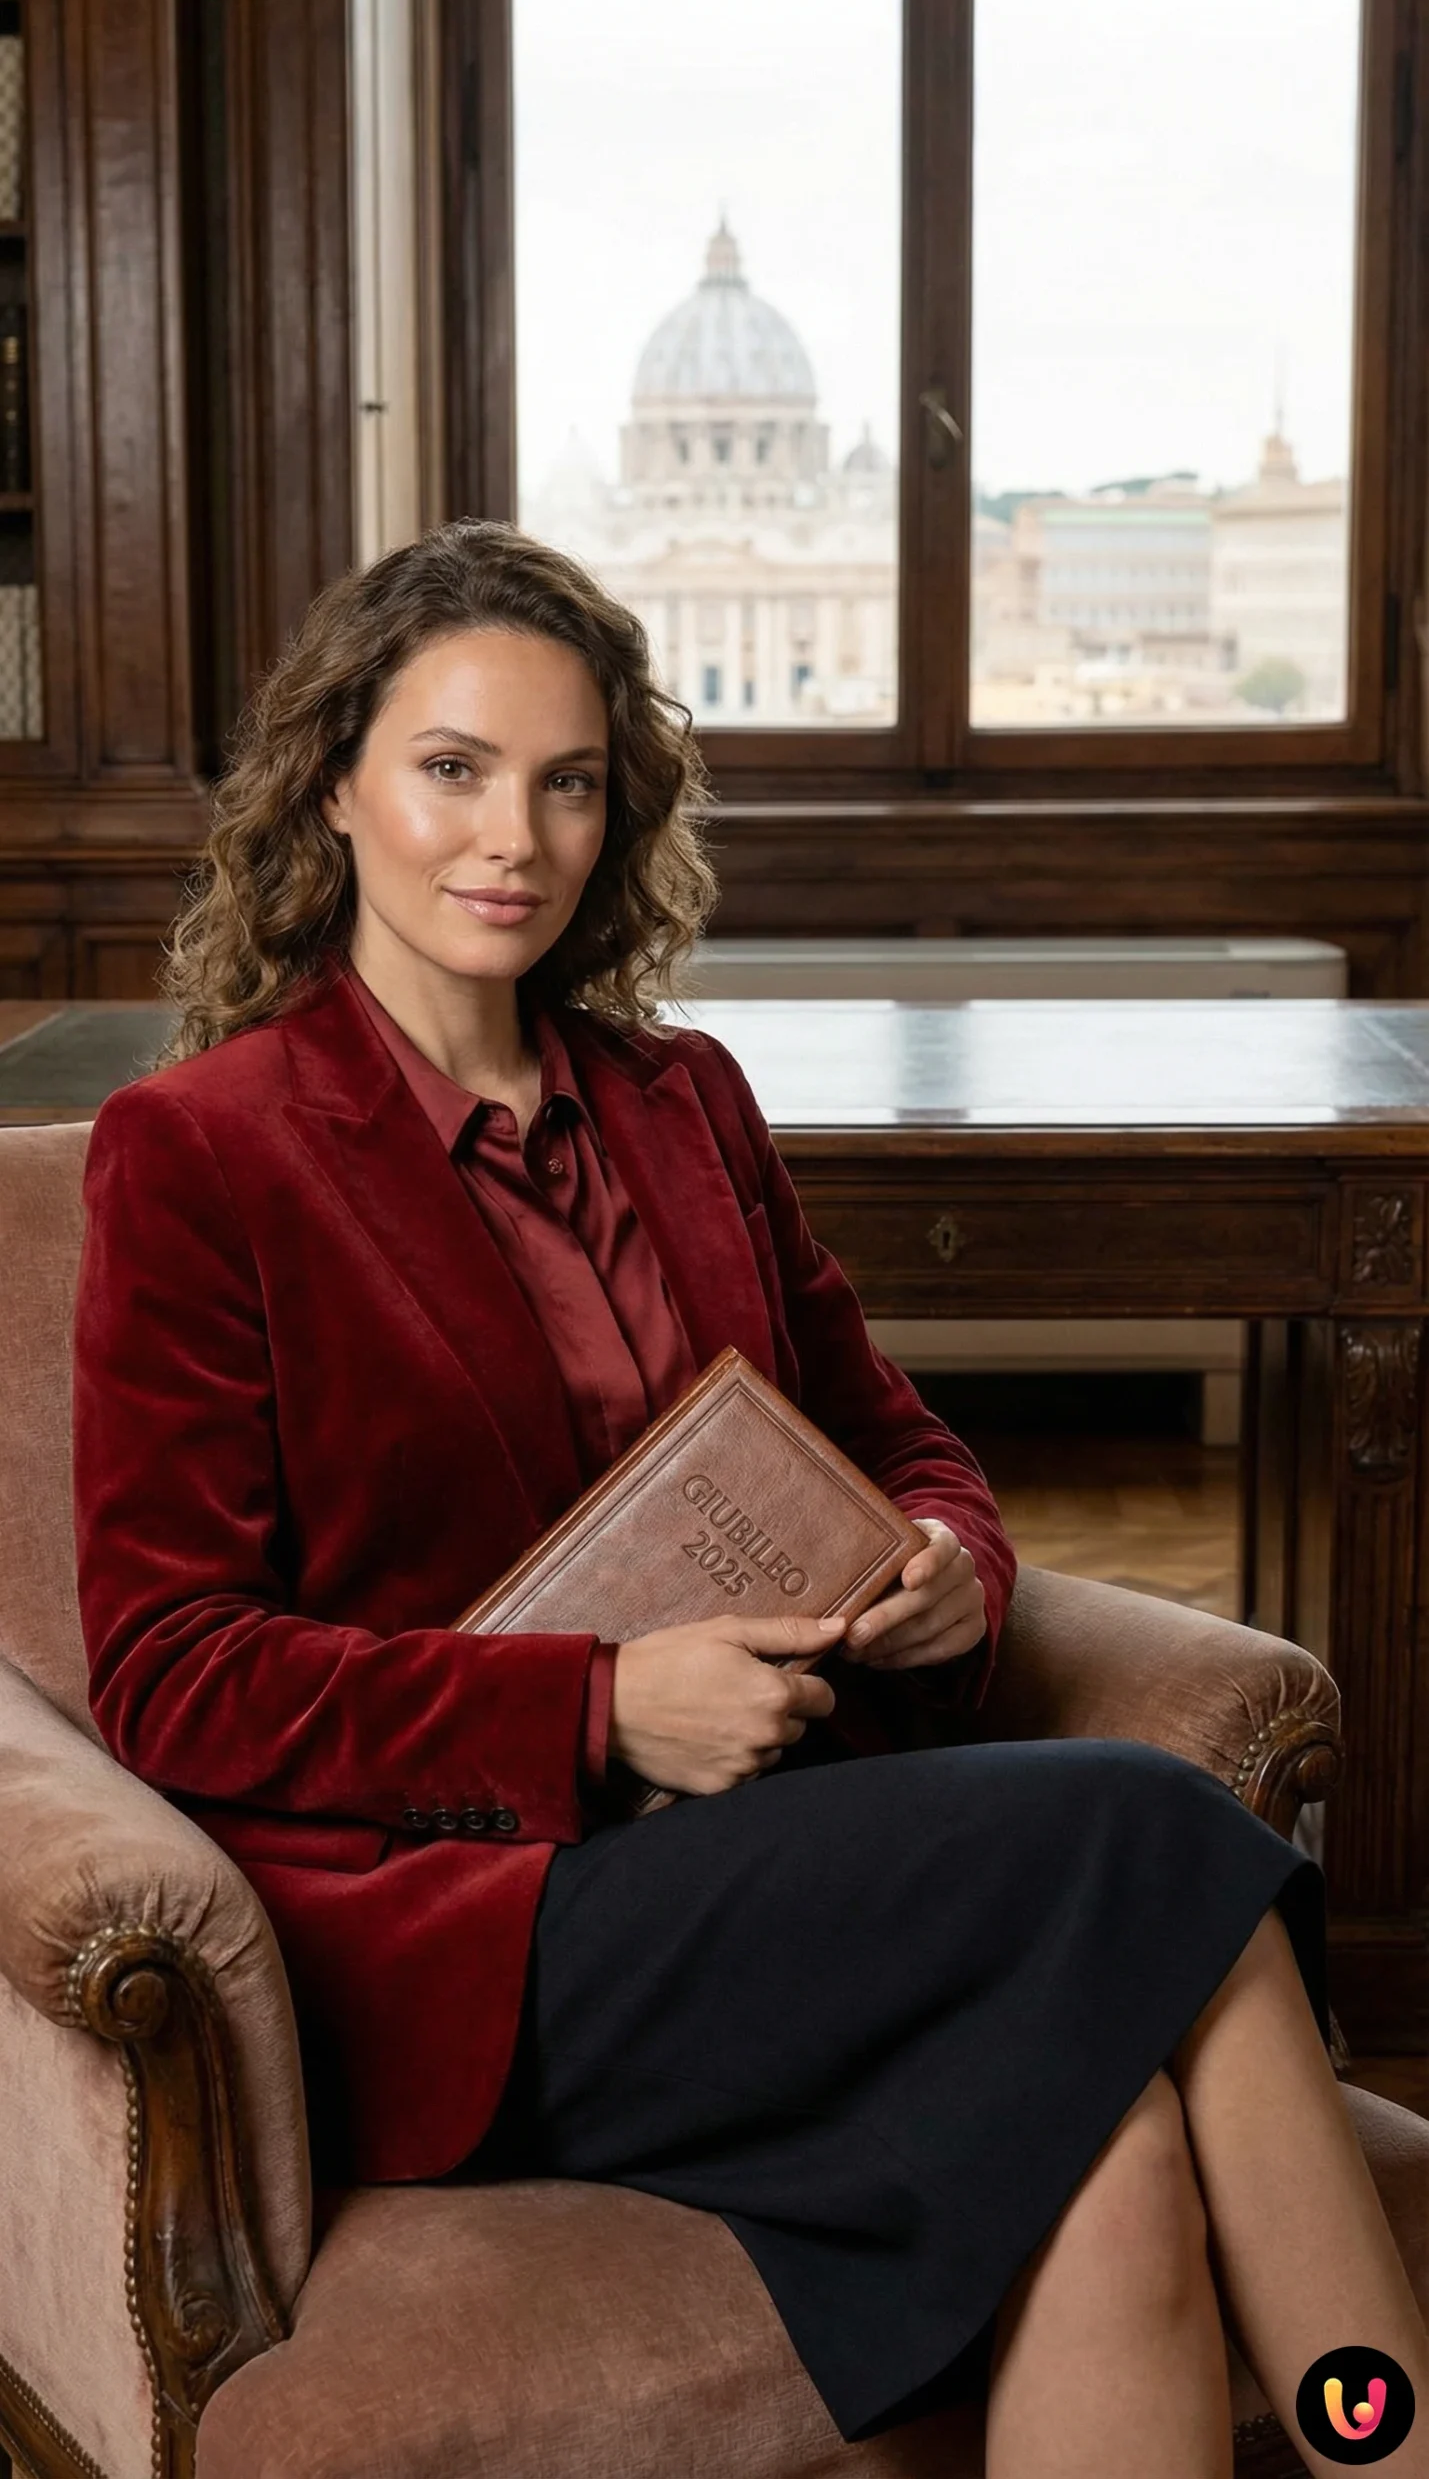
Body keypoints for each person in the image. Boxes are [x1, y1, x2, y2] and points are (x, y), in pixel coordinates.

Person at [71, 518, 1428, 2479]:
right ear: (336, 782)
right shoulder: (201, 1153)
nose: (509, 835)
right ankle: (1384, 2436)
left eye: (566, 780)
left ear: (619, 812)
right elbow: (177, 1674)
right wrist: (599, 1708)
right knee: (1154, 1828)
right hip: (474, 1923)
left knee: (1118, 2148)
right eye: (452, 766)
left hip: (795, 1858)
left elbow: (899, 1437)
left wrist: (955, 1565)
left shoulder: (680, 1097)